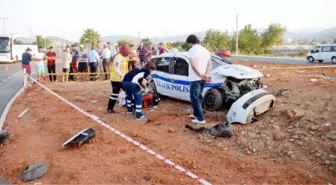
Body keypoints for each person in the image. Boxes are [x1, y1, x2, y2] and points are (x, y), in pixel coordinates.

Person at [186, 34, 212, 125]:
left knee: (195, 98)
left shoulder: (191, 51)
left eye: (188, 43)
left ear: (190, 43)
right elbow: (209, 64)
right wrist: (206, 74)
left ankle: (200, 119)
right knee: (199, 97)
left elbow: (193, 65)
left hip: (195, 78)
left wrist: (200, 74)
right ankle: (196, 114)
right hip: (203, 78)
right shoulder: (206, 50)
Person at [107, 44, 130, 113]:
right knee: (115, 94)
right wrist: (122, 75)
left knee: (128, 91)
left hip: (122, 79)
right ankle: (110, 108)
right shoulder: (118, 57)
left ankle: (129, 108)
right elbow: (116, 68)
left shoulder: (123, 57)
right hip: (116, 79)